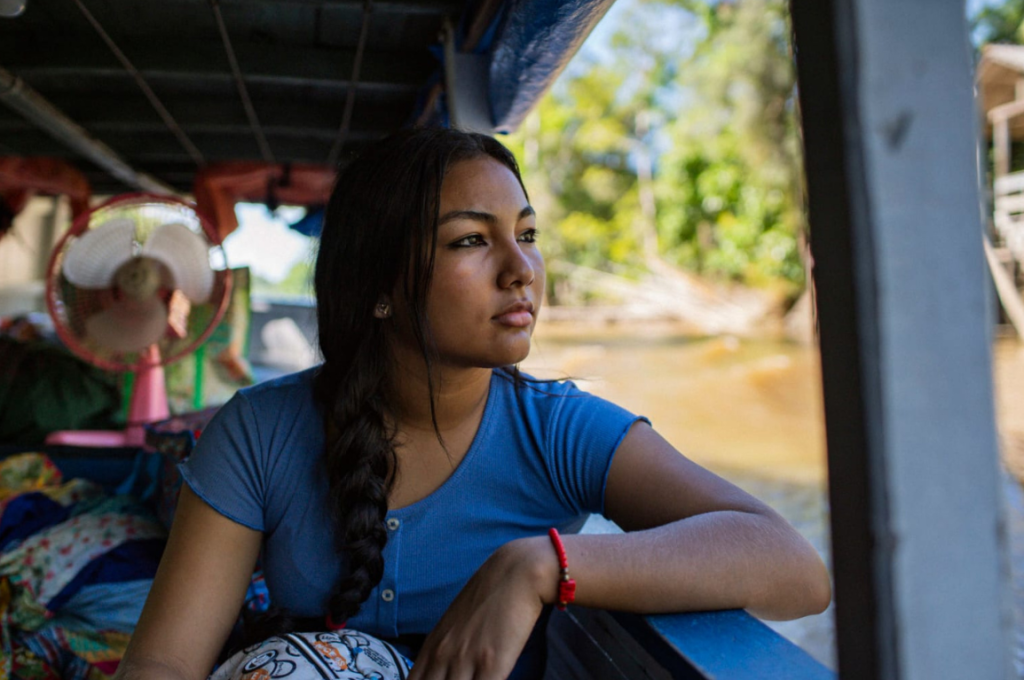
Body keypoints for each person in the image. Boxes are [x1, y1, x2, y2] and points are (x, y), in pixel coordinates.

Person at [115, 128, 831, 680]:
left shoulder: (558, 430)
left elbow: (794, 569)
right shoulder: (260, 431)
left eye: (527, 235)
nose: (522, 271)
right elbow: (163, 663)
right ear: (380, 284)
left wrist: (539, 564)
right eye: (471, 240)